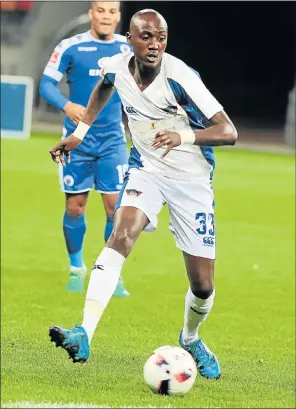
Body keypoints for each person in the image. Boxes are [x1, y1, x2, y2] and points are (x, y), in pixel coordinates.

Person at [48, 9, 238, 380]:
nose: (155, 45)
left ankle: (191, 337)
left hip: (192, 181)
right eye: (147, 37)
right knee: (120, 235)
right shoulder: (118, 65)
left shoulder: (181, 77)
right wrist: (79, 134)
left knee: (203, 285)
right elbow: (104, 86)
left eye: (161, 37)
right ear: (130, 39)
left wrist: (182, 136)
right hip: (147, 169)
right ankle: (83, 332)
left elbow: (228, 131)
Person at [39, 1, 131, 296]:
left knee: (114, 209)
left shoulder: (128, 49)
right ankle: (76, 268)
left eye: (112, 12)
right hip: (76, 140)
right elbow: (46, 84)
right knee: (75, 207)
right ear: (91, 13)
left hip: (113, 140)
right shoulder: (70, 46)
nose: (106, 17)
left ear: (118, 16)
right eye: (101, 11)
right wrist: (66, 105)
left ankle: (110, 274)